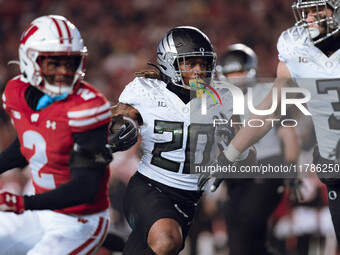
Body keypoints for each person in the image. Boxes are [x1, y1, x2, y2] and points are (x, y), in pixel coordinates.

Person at [110, 26, 256, 255]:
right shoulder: (146, 90)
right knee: (167, 241)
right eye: (191, 63)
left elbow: (248, 151)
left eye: (203, 63)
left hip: (189, 199)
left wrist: (234, 148)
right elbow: (117, 119)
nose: (199, 70)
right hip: (149, 187)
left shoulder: (223, 97)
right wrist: (120, 126)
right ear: (170, 63)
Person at [0, 15, 137, 255]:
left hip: (78, 218)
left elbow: (84, 187)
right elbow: (27, 144)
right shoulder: (15, 92)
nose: (64, 71)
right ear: (29, 59)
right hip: (38, 206)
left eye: (70, 63)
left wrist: (23, 203)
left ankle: (102, 244)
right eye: (54, 63)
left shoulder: (88, 106)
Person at [214, 0, 340, 248]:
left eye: (319, 9)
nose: (312, 17)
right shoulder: (295, 49)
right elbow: (267, 114)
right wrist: (229, 155)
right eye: (307, 10)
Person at [216, 43, 300, 255]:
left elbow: (287, 132)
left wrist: (292, 168)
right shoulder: (219, 100)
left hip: (266, 166)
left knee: (247, 225)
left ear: (251, 71)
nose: (235, 77)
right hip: (235, 174)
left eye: (240, 71)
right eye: (231, 72)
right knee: (239, 238)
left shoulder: (265, 91)